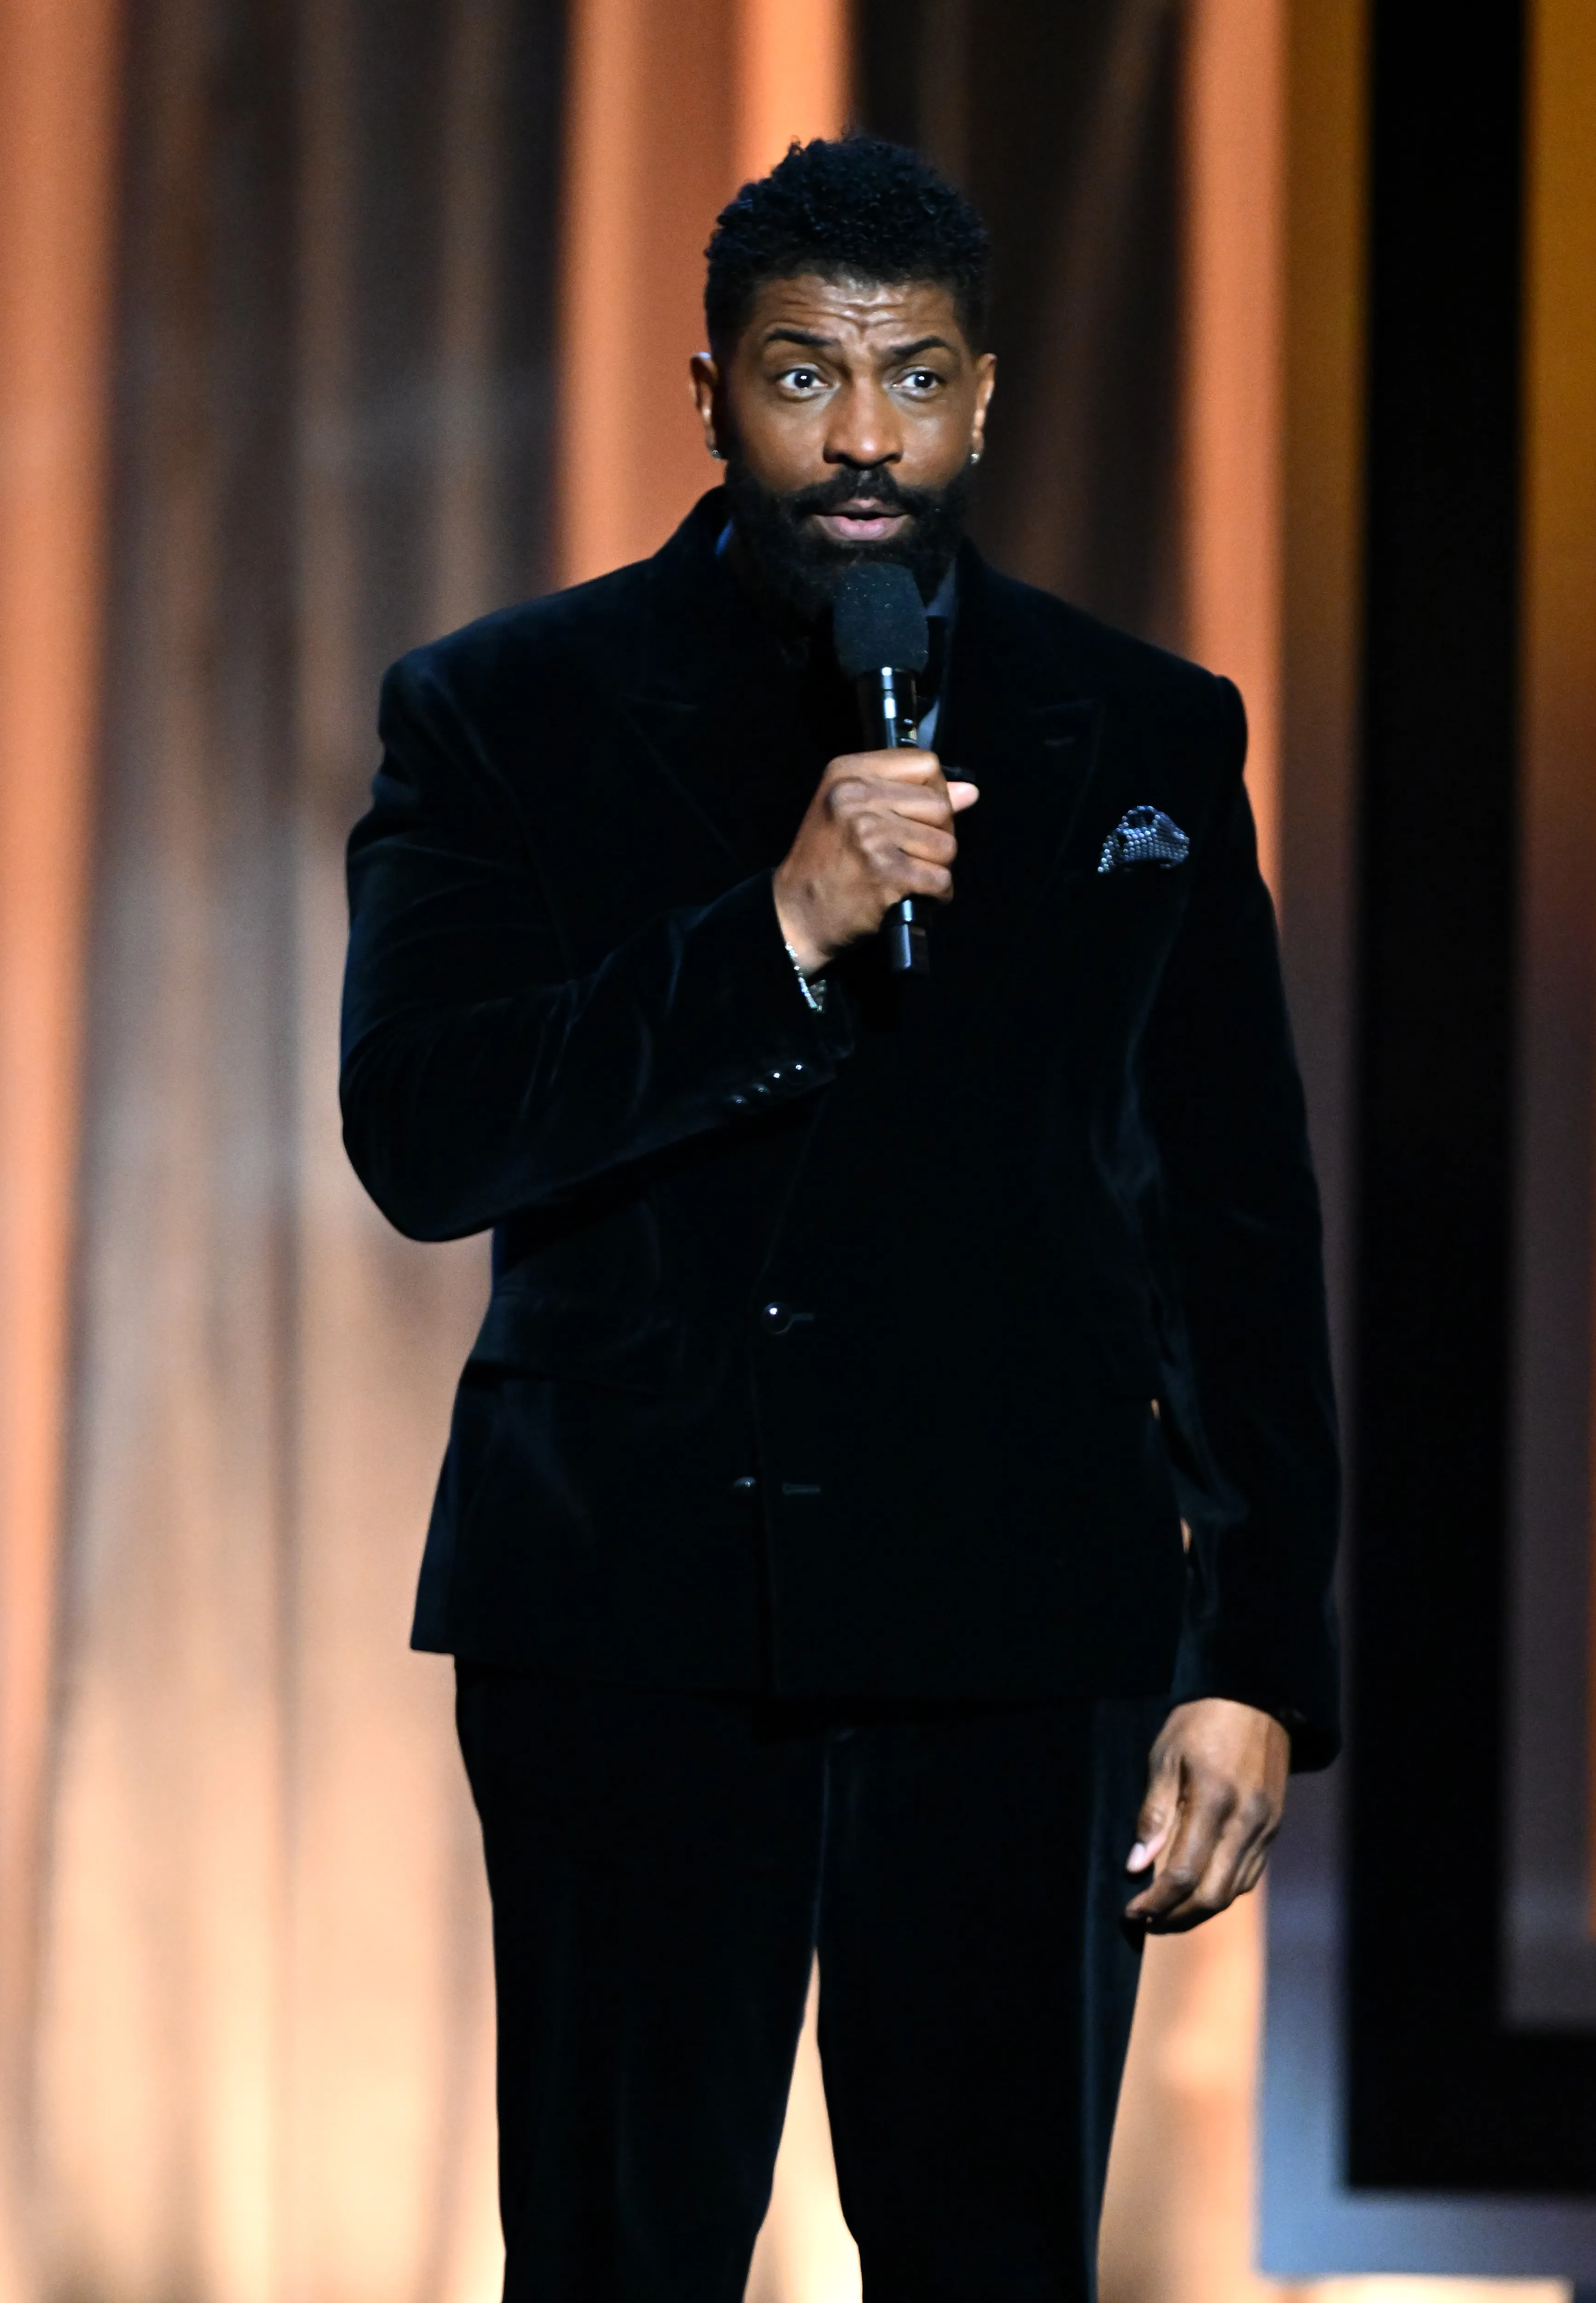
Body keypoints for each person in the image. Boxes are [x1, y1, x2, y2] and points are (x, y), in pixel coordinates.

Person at [340, 135, 1339, 2303]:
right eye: (805, 376)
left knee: (994, 2254)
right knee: (616, 2251)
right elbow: (424, 1132)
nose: (861, 436)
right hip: (628, 1612)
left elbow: (1231, 1216)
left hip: (1021, 1628)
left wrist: (1254, 1652)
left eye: (912, 378)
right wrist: (772, 932)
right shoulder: (502, 710)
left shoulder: (1142, 730)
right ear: (709, 390)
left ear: (983, 397)